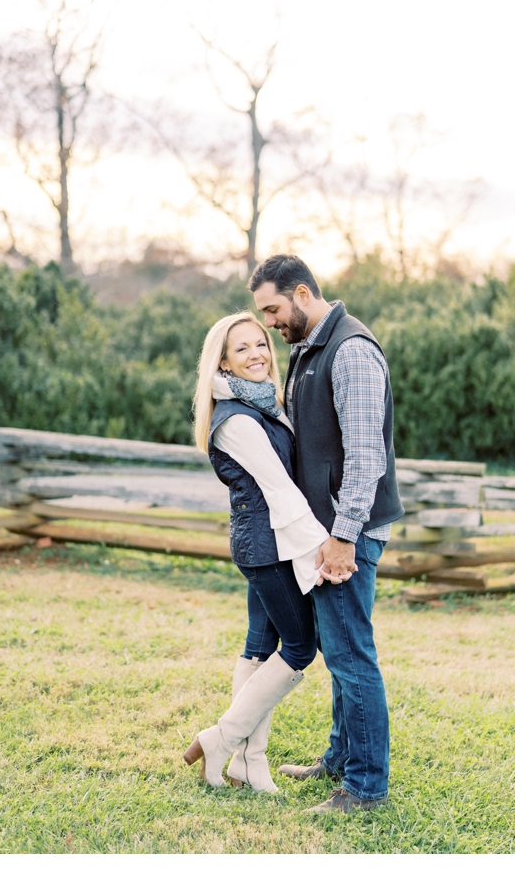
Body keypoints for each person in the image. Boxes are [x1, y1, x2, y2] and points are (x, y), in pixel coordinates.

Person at [249, 253, 403, 815]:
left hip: (349, 530)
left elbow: (365, 458)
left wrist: (343, 537)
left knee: (351, 655)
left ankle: (365, 789)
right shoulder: (310, 349)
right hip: (328, 529)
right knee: (339, 652)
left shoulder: (352, 351)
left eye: (273, 308)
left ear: (303, 294)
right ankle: (339, 758)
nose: (269, 322)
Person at [182, 312, 329, 793]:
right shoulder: (237, 421)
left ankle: (250, 762)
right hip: (265, 545)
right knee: (302, 647)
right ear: (222, 363)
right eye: (241, 349)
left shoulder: (263, 403)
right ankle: (222, 739)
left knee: (259, 647)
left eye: (261, 344)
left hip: (269, 538)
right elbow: (279, 488)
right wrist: (323, 547)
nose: (257, 355)